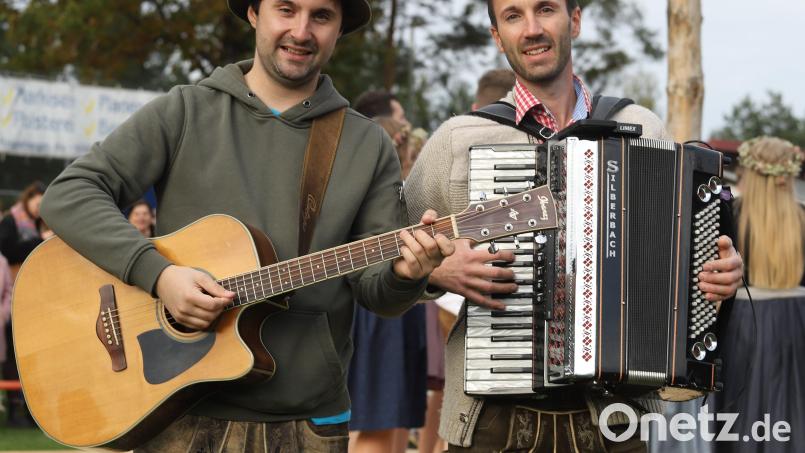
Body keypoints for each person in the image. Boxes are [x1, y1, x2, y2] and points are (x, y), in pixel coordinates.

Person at [39, 0, 453, 451]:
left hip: (308, 422)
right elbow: (70, 193)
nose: (301, 30)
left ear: (338, 30)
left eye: (321, 16)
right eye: (286, 9)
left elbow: (377, 293)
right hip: (178, 409)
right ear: (254, 13)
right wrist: (159, 275)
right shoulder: (184, 112)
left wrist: (406, 274)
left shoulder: (367, 143)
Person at [404, 0, 744, 451]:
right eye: (512, 16)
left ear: (575, 20)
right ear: (496, 35)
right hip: (494, 422)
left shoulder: (640, 127)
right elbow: (387, 261)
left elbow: (685, 266)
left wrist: (719, 277)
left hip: (615, 421)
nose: (531, 29)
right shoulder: (459, 140)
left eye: (545, 9)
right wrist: (434, 273)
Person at [713, 136, 805, 452]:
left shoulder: (728, 217)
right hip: (797, 326)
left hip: (743, 326)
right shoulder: (803, 218)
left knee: (741, 422)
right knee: (792, 413)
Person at [348, 93, 428, 453]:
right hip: (378, 316)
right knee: (376, 422)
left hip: (398, 311)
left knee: (393, 418)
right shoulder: (375, 198)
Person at [0, 181, 46, 428]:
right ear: (28, 198)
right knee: (11, 359)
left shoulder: (43, 223)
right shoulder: (12, 221)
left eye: (43, 204)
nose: (39, 208)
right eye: (37, 202)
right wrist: (38, 241)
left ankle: (33, 410)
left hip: (36, 297)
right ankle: (16, 410)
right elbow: (6, 250)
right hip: (13, 295)